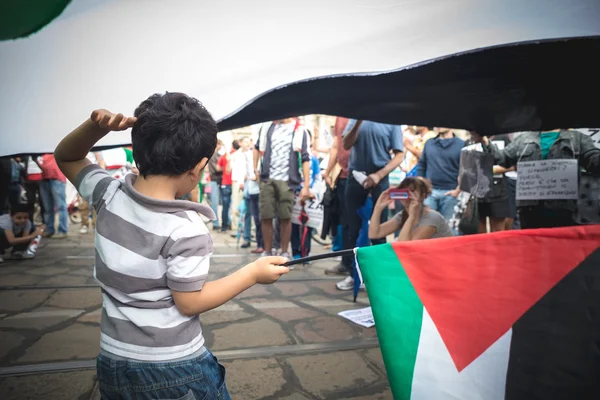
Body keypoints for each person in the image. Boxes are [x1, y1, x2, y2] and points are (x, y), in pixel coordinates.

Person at [54, 93, 289, 399]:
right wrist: (252, 274)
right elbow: (189, 302)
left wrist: (95, 128)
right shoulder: (185, 229)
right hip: (173, 366)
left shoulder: (107, 194)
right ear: (199, 166)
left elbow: (67, 156)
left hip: (113, 359)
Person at [334, 119, 404, 291]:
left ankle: (377, 276)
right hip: (356, 177)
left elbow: (399, 155)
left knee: (379, 231)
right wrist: (358, 121)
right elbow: (346, 143)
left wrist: (379, 175)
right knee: (353, 229)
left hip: (379, 180)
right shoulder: (355, 118)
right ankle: (353, 274)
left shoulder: (392, 122)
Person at [485, 129, 600, 229]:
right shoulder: (523, 139)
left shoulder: (577, 138)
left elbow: (594, 162)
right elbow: (502, 158)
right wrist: (484, 141)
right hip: (530, 212)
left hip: (566, 211)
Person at [253, 118, 311, 259]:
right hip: (267, 179)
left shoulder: (299, 130)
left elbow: (305, 158)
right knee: (266, 216)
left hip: (288, 180)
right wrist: (254, 169)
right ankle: (267, 251)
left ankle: (284, 251)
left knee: (286, 217)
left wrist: (307, 186)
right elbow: (256, 147)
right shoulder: (267, 126)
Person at [369, 177, 453, 242]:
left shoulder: (432, 218)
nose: (408, 196)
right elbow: (374, 234)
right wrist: (378, 208)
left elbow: (404, 246)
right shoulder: (403, 215)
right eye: (404, 192)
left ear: (423, 195)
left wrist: (412, 216)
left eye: (412, 191)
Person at [467, 132, 512, 233]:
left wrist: (489, 169)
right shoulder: (469, 141)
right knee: (478, 232)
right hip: (477, 192)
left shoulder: (502, 138)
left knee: (498, 231)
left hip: (498, 190)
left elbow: (511, 164)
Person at [417, 127, 464, 222]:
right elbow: (421, 165)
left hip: (451, 193)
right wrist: (421, 187)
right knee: (427, 227)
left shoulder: (461, 144)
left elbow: (466, 169)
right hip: (430, 193)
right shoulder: (429, 143)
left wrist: (457, 191)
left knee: (449, 230)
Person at [37, 154, 69, 239]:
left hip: (57, 179)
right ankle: (49, 229)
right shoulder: (43, 153)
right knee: (48, 208)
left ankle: (62, 230)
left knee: (61, 207)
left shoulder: (55, 148)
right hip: (45, 179)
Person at [207, 139, 224, 230]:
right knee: (214, 202)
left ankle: (216, 222)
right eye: (220, 145)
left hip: (216, 180)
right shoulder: (213, 154)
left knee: (216, 202)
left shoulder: (217, 154)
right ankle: (215, 223)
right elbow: (216, 168)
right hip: (214, 180)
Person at [217, 144, 233, 232]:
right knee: (234, 206)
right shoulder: (237, 155)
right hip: (234, 183)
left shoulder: (224, 156)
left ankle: (224, 227)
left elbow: (217, 168)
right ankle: (232, 224)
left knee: (225, 206)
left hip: (226, 183)